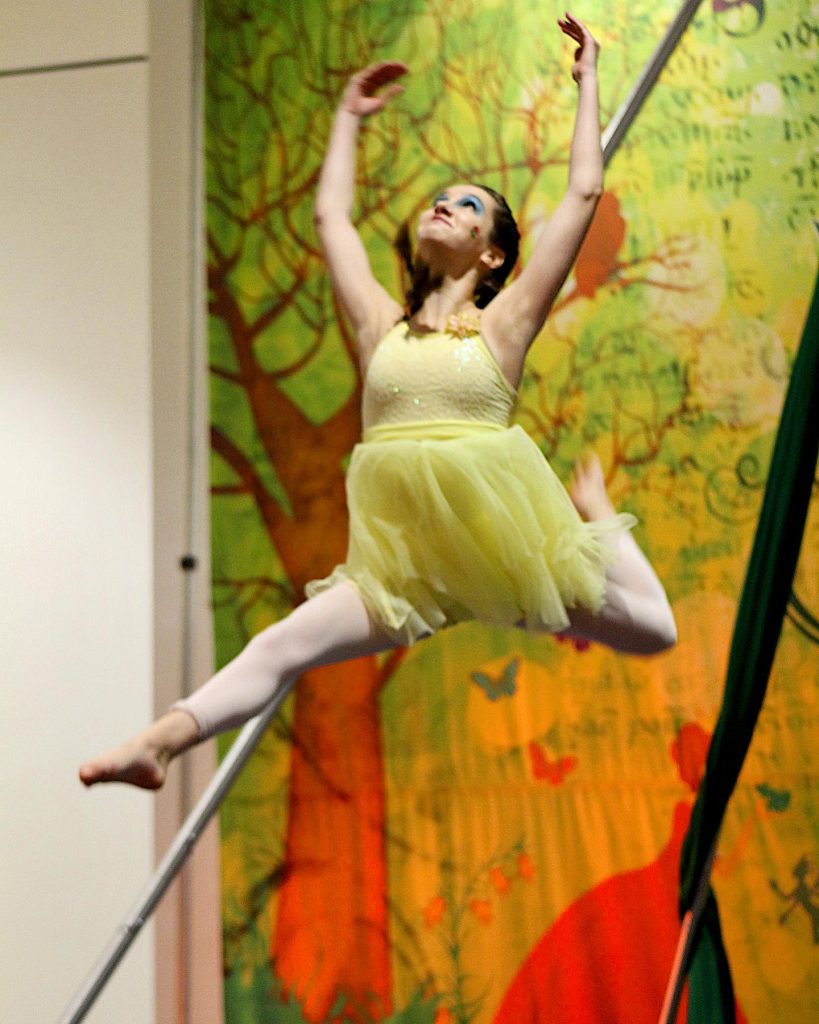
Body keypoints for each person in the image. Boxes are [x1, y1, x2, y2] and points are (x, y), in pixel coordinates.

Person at [80, 13, 676, 791]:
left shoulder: (504, 325)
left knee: (656, 630)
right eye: (439, 197)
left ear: (491, 253)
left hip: (509, 550)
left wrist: (589, 78)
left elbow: (583, 190)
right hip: (404, 573)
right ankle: (158, 744)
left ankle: (599, 520)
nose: (444, 205)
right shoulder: (377, 330)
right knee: (280, 646)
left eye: (466, 207)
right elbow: (331, 219)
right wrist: (344, 120)